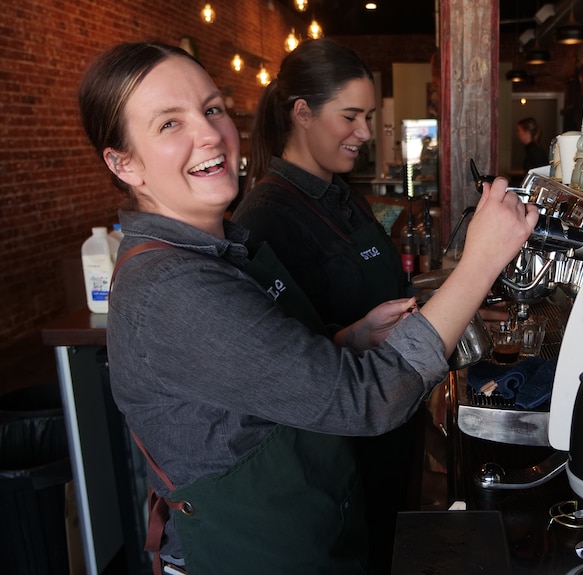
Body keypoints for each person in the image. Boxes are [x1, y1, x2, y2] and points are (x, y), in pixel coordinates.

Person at [77, 41, 537, 575]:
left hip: (312, 531)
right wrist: (480, 263)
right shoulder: (172, 287)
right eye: (168, 124)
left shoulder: (225, 246)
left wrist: (349, 340)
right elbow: (362, 400)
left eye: (211, 109)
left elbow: (251, 381)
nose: (208, 135)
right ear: (123, 162)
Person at [231, 39, 417, 573]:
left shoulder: (340, 192)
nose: (364, 132)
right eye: (350, 116)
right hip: (345, 453)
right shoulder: (266, 215)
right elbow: (286, 363)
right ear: (302, 113)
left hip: (386, 424)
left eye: (369, 116)